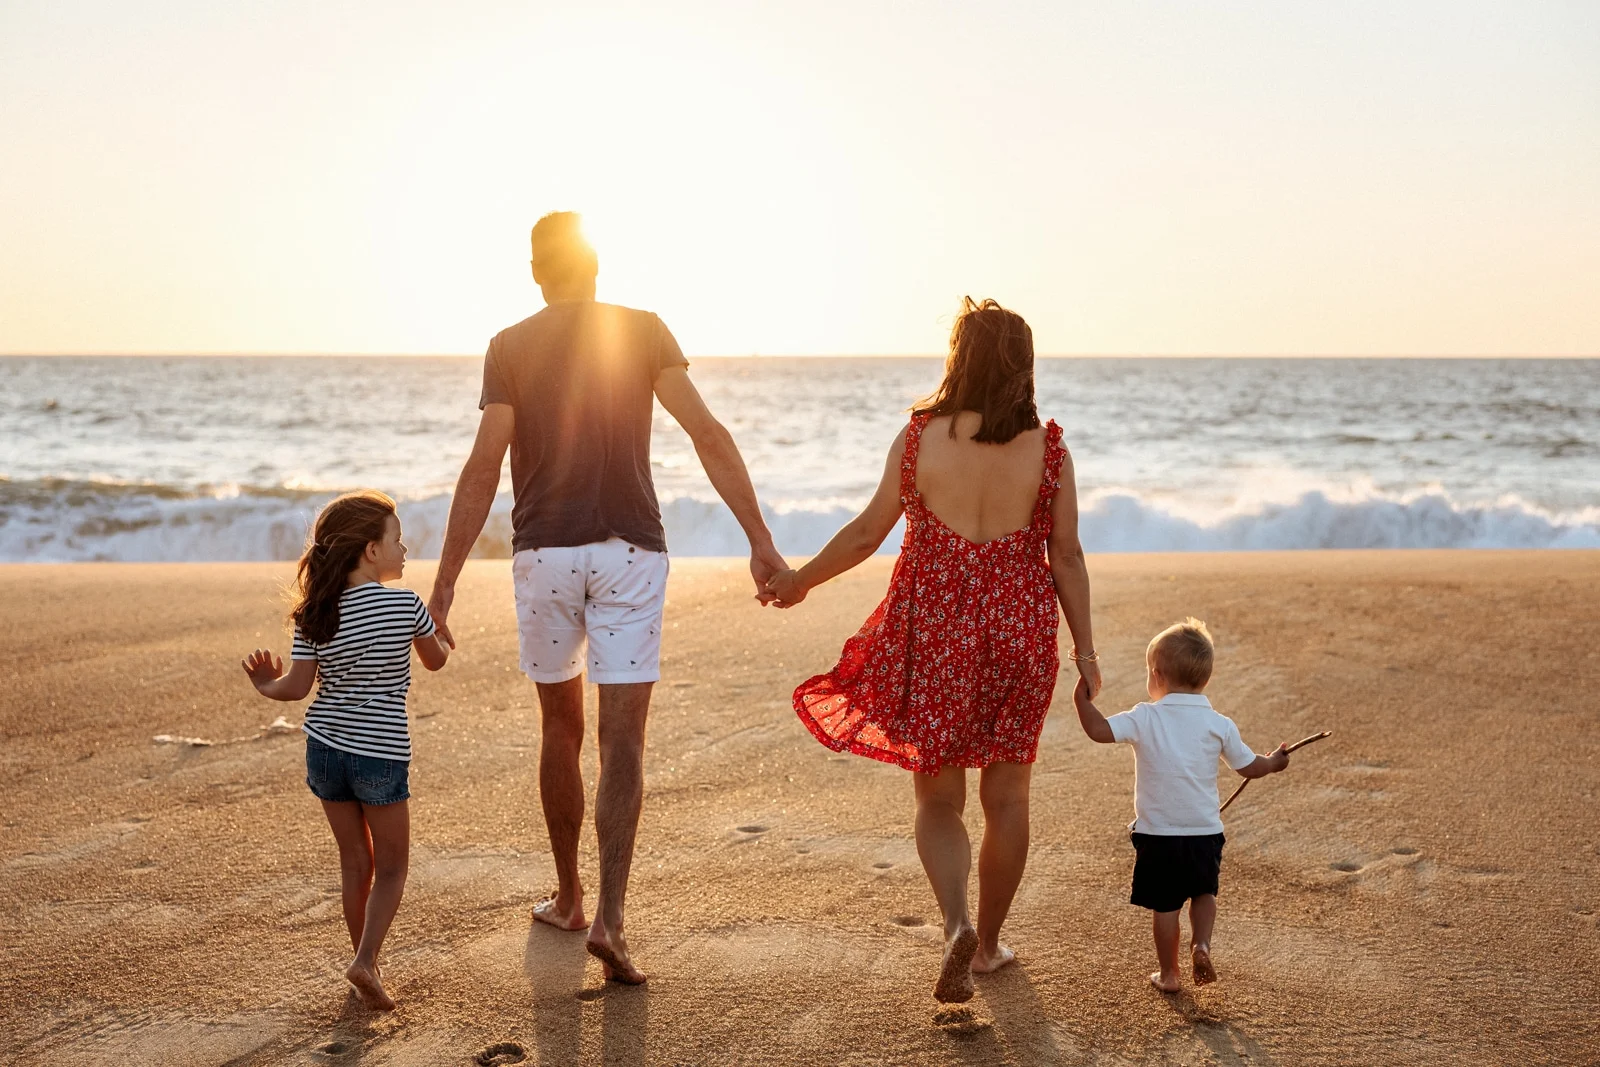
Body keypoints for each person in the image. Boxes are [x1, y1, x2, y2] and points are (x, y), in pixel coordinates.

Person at [427, 212, 785, 984]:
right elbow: (709, 434)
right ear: (595, 267)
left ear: (535, 273)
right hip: (631, 551)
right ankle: (614, 920)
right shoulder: (645, 330)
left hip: (544, 552)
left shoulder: (509, 345)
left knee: (561, 725)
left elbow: (484, 464)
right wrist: (759, 537)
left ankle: (569, 898)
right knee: (624, 740)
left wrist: (446, 580)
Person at [767, 297, 1099, 1003]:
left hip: (935, 628)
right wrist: (1088, 651)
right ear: (1024, 366)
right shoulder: (1051, 450)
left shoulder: (920, 439)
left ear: (959, 360)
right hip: (1019, 628)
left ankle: (955, 921)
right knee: (1007, 795)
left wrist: (800, 580)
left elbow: (865, 534)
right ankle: (990, 946)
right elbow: (1065, 554)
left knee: (939, 797)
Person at [241, 491, 449, 1010]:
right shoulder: (406, 603)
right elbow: (435, 661)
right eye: (397, 540)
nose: (405, 549)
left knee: (356, 863)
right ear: (371, 550)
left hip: (325, 749)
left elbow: (296, 688)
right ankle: (365, 961)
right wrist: (443, 637)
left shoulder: (317, 612)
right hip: (379, 752)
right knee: (394, 867)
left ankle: (367, 962)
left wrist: (266, 686)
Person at [1071, 617, 1290, 992]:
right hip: (1205, 832)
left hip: (1159, 835)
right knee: (1204, 892)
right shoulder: (1218, 723)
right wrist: (1272, 762)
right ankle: (1201, 944)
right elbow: (1248, 766)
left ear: (1156, 675)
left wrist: (1081, 697)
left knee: (1167, 907)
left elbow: (1099, 730)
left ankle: (1169, 974)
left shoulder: (1145, 716)